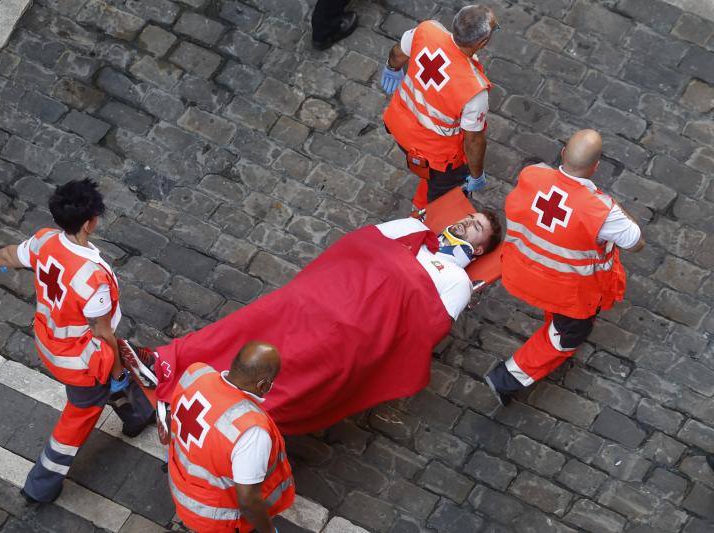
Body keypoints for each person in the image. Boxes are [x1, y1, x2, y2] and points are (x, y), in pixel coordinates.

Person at [124, 213, 501, 435]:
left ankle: (211, 419)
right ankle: (165, 363)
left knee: (290, 375)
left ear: (480, 249)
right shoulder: (412, 232)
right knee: (244, 328)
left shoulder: (456, 280)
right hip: (318, 296)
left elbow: (423, 328)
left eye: (476, 227)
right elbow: (362, 243)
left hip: (351, 331)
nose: (467, 222)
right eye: (469, 218)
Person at [0, 179, 154, 503]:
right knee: (80, 415)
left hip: (49, 340)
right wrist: (115, 375)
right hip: (81, 359)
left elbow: (13, 255)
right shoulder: (93, 275)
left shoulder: (44, 241)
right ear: (90, 222)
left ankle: (137, 416)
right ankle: (40, 485)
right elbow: (103, 333)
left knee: (115, 372)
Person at [485, 129, 644, 404]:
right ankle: (506, 378)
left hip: (524, 270)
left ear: (562, 153)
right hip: (568, 292)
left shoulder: (532, 174)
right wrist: (611, 206)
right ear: (596, 166)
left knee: (557, 317)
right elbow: (636, 241)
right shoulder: (602, 212)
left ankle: (551, 323)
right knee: (566, 337)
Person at [161, 342, 294, 533]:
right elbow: (248, 501)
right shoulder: (251, 431)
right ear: (263, 385)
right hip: (215, 520)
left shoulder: (196, 372)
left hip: (181, 488)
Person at [380, 5, 498, 209]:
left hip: (399, 128)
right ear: (483, 42)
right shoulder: (474, 90)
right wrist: (476, 174)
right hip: (435, 156)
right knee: (444, 199)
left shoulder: (426, 30)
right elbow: (473, 142)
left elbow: (398, 54)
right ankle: (425, 221)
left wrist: (392, 68)